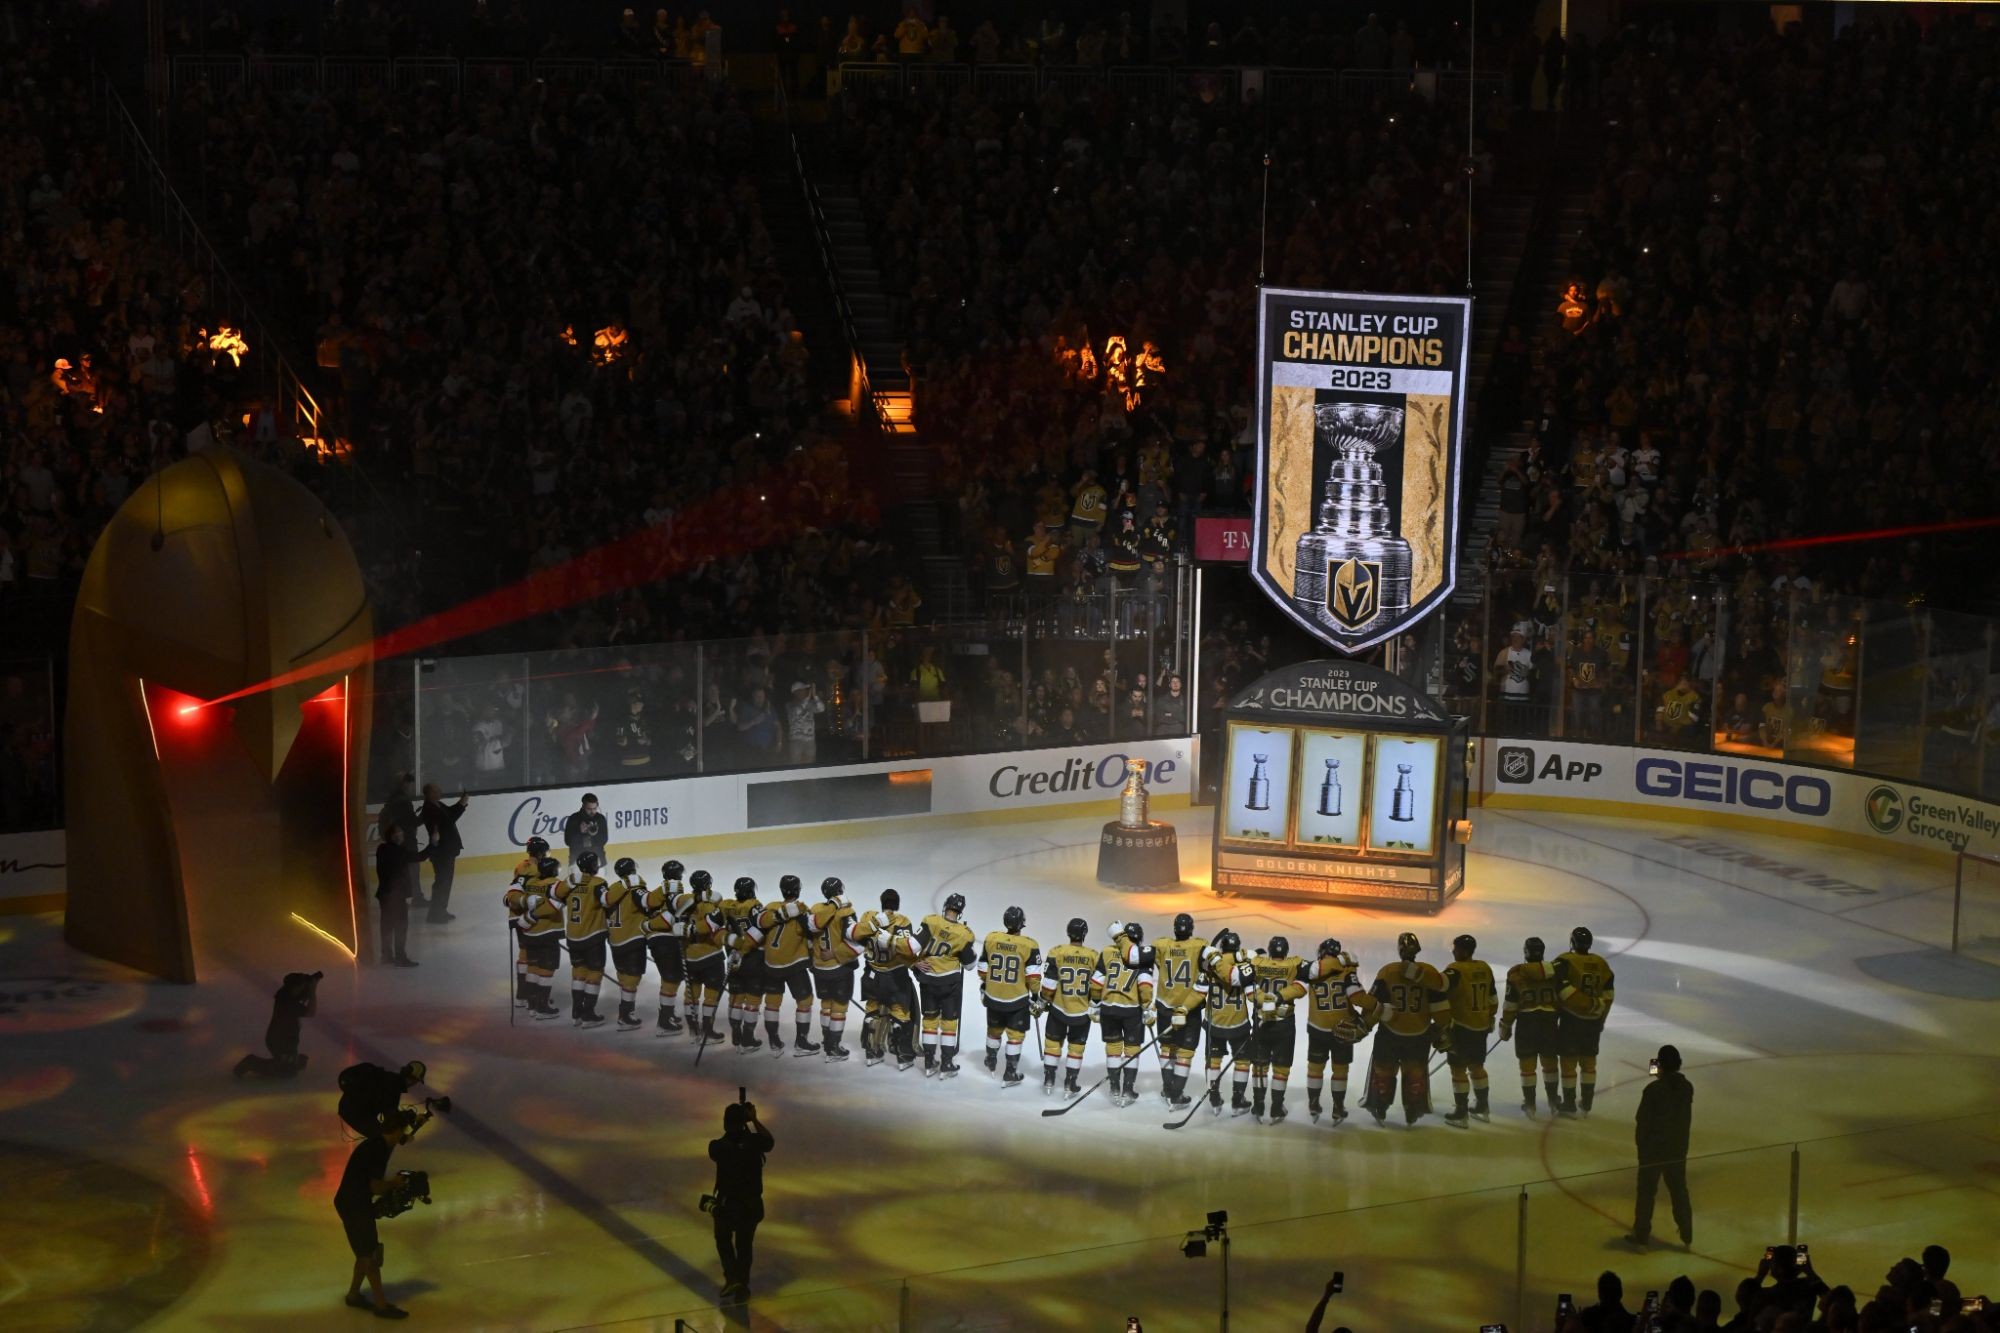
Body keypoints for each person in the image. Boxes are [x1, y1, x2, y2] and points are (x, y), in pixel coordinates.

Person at [335, 1111, 415, 1319]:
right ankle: (381, 1305)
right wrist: (395, 1184)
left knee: (364, 1252)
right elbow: (376, 1187)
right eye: (402, 1132)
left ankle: (353, 1295)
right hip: (355, 1205)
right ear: (397, 1130)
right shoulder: (378, 1150)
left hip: (351, 1202)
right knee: (369, 1254)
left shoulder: (375, 1143)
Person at [1363, 933, 1447, 1125]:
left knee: (1383, 1071)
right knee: (1415, 1074)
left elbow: (1374, 1003)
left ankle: (1380, 1107)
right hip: (1419, 1033)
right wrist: (1441, 1028)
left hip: (1390, 1033)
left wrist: (1365, 1023)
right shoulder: (1428, 972)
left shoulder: (1388, 971)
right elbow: (1440, 1007)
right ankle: (1413, 1109)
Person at [1626, 1044, 1694, 1250]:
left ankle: (1641, 1236)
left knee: (1646, 1193)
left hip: (1653, 1150)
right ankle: (1687, 1234)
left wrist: (1641, 1146)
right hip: (1677, 1148)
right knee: (1679, 1191)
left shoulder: (1653, 1090)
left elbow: (1643, 1120)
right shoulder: (1687, 1087)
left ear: (1661, 1064)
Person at [708, 1099, 774, 1302]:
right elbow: (769, 1142)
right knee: (744, 1246)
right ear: (743, 1121)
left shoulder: (717, 1147)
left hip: (728, 1205)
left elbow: (726, 1146)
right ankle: (742, 1285)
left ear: (725, 1123)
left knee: (723, 1239)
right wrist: (754, 1119)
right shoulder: (754, 1143)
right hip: (751, 1205)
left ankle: (732, 1278)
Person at [856, 888, 922, 1070]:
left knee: (872, 1010)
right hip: (895, 977)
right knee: (900, 1013)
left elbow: (857, 937)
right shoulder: (902, 921)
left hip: (871, 975)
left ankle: (872, 1053)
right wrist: (915, 964)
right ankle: (903, 1056)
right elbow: (906, 950)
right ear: (897, 904)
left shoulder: (869, 917)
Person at [1146, 913, 1207, 1108]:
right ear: (1191, 928)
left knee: (1167, 1049)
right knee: (1185, 1052)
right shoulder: (1199, 945)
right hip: (1189, 1009)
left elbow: (1155, 962)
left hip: (1165, 1006)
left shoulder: (1162, 945)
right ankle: (1176, 1094)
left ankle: (1168, 1088)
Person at [914, 892, 977, 1077]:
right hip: (950, 983)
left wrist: (914, 962)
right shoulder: (964, 933)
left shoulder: (931, 921)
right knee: (949, 1023)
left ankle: (928, 1062)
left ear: (945, 906)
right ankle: (946, 1064)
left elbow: (912, 945)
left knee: (930, 1020)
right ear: (960, 911)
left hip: (928, 980)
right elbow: (970, 965)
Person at [1555, 926, 1616, 1116]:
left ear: (1572, 942)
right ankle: (1587, 1103)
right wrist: (1600, 1017)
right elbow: (1609, 996)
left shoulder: (1565, 960)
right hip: (1593, 1022)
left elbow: (1560, 989)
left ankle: (1569, 1103)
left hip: (1571, 1020)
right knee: (1589, 1063)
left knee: (1568, 1063)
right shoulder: (1601, 963)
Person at [1498, 936, 1563, 1117]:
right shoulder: (1555, 971)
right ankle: (1553, 1101)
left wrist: (1505, 1025)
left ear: (1526, 952)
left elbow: (1510, 1005)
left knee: (1527, 1065)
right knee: (1550, 1063)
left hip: (1527, 1022)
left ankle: (1530, 1104)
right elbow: (1562, 998)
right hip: (1549, 1021)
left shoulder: (1516, 974)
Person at [1091, 920, 1153, 1106]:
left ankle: (1114, 1088)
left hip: (1109, 1008)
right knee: (1132, 1049)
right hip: (1131, 1010)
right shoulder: (1142, 955)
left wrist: (1095, 1003)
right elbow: (1145, 986)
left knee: (1113, 1048)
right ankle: (1127, 1089)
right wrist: (1147, 1007)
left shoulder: (1107, 952)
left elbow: (1096, 982)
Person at [1246, 935, 1307, 1123]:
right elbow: (1301, 988)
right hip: (1284, 1023)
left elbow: (1249, 990)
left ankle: (1258, 1105)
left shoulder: (1257, 962)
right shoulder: (1295, 964)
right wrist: (1279, 997)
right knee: (1281, 1068)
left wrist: (1265, 999)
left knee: (1259, 1066)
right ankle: (1276, 1108)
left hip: (1261, 1022)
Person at [978, 905, 1042, 1087]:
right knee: (1015, 1036)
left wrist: (987, 983)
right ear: (1022, 924)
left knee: (994, 1031)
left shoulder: (992, 938)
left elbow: (982, 969)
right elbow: (1033, 977)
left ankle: (991, 1060)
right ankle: (1010, 1073)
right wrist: (1035, 996)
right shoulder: (1029, 945)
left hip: (993, 997)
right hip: (1017, 1000)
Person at [757, 875, 820, 1056]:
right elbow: (811, 935)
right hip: (794, 965)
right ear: (798, 890)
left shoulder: (771, 906)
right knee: (805, 1001)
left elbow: (760, 922)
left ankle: (773, 1041)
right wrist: (813, 961)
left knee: (772, 1002)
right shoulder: (803, 911)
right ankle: (801, 1042)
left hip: (770, 964)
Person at [1440, 935, 1498, 1128]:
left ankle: (1461, 1113)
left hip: (1461, 1027)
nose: (1453, 951)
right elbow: (1492, 999)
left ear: (1463, 951)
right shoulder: (1484, 968)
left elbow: (1439, 986)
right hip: (1481, 1027)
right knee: (1477, 1066)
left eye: (1455, 948)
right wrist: (1489, 1017)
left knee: (1458, 1070)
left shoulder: (1456, 970)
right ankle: (1482, 1107)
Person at [1039, 917, 1096, 1096]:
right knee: (1076, 1047)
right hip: (1082, 1012)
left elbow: (1049, 984)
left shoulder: (1057, 951)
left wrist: (1043, 1000)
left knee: (1052, 1043)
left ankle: (1049, 1079)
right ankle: (1070, 1083)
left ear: (1068, 932)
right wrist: (1096, 1004)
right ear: (1084, 934)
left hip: (1058, 1008)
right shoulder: (1094, 956)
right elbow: (1097, 986)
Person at [807, 876, 862, 1062]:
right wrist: (835, 953)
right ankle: (833, 1048)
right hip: (840, 968)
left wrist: (813, 961)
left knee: (826, 1004)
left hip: (819, 968)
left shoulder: (815, 909)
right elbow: (856, 942)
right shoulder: (846, 912)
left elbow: (808, 938)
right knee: (839, 1008)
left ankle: (827, 1041)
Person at [1201, 929, 1255, 1116]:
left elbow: (1202, 964)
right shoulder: (1245, 964)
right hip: (1238, 1023)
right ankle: (1238, 1100)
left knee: (1213, 1060)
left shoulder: (1210, 964)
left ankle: (1214, 1097)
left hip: (1214, 1022)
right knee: (1243, 1061)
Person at [556, 853, 611, 1027]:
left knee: (579, 971)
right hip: (593, 936)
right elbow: (607, 902)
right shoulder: (598, 883)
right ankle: (588, 1014)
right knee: (595, 972)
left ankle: (577, 1012)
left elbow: (556, 896)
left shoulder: (570, 884)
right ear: (594, 865)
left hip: (573, 936)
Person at [234, 970, 321, 1078]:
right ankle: (251, 1063)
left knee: (288, 1067)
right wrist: (312, 991)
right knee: (286, 1071)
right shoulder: (288, 1002)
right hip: (280, 1039)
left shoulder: (285, 994)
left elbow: (302, 997)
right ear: (295, 987)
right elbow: (311, 1012)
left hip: (283, 1038)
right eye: (301, 986)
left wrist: (310, 985)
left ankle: (288, 1062)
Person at [719, 877, 770, 1051]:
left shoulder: (727, 907)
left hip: (733, 960)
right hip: (754, 959)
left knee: (736, 997)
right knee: (753, 1000)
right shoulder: (755, 907)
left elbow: (716, 928)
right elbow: (761, 931)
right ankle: (748, 1038)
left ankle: (736, 1033)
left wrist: (731, 946)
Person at [638, 859, 688, 1032]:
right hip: (664, 939)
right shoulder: (675, 890)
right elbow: (671, 917)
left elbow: (647, 904)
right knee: (671, 978)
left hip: (659, 939)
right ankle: (664, 1021)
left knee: (671, 978)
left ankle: (668, 1013)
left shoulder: (659, 892)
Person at [516, 858, 567, 1019]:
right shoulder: (555, 884)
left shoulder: (532, 883)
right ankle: (542, 1008)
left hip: (530, 933)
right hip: (547, 933)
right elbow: (558, 901)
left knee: (533, 968)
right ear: (554, 870)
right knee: (546, 970)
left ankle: (532, 1005)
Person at [605, 858, 650, 1030]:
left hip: (615, 939)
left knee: (623, 976)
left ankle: (624, 1010)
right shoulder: (637, 888)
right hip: (632, 938)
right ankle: (625, 1015)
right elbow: (648, 904)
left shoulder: (612, 889)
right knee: (632, 978)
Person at [374, 823, 426, 968]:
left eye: (401, 832)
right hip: (395, 896)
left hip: (385, 894)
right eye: (398, 833)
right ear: (392, 836)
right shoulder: (398, 851)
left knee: (387, 925)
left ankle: (386, 955)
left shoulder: (382, 849)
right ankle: (400, 957)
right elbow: (419, 857)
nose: (401, 835)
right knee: (400, 925)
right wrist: (433, 845)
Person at [337, 1060, 427, 1136]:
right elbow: (391, 1118)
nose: (415, 1084)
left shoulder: (387, 1078)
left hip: (347, 1109)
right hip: (356, 1115)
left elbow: (388, 1110)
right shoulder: (394, 1088)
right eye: (416, 1081)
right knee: (382, 1138)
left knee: (381, 1136)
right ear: (413, 1079)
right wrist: (408, 1123)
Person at [419, 784, 467, 923]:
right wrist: (462, 804)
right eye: (436, 790)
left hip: (447, 849)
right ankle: (435, 914)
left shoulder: (437, 804)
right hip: (441, 851)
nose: (440, 791)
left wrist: (461, 803)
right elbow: (447, 821)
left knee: (445, 882)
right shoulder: (429, 809)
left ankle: (441, 910)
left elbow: (450, 813)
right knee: (442, 882)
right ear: (429, 794)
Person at [562, 793, 609, 868]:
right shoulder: (573, 819)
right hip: (577, 861)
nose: (592, 811)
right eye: (589, 809)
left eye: (595, 808)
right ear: (583, 806)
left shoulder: (600, 819)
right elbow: (568, 841)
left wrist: (594, 834)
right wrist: (579, 832)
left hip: (598, 860)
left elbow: (604, 840)